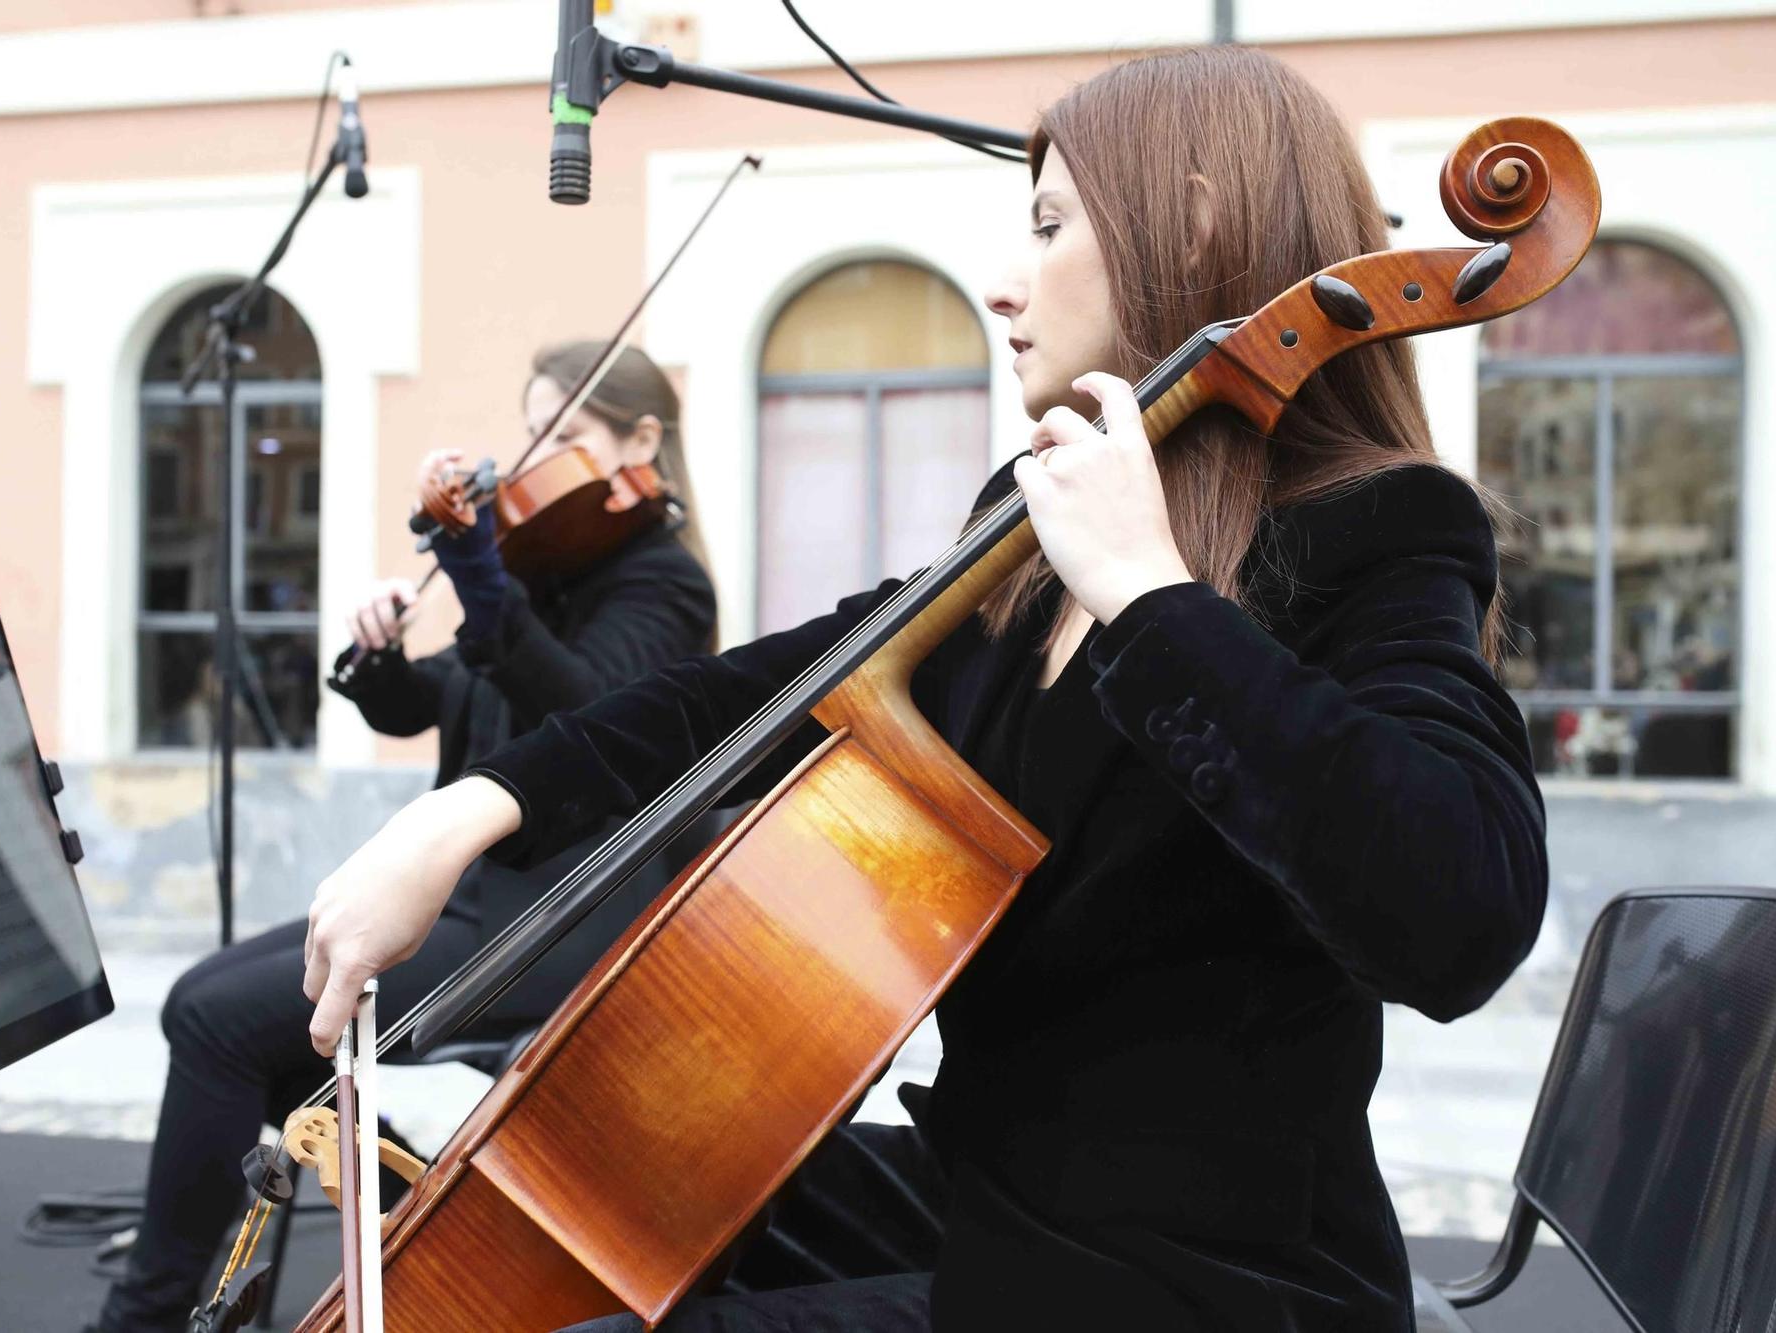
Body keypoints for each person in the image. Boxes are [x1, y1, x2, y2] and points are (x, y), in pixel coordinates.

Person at [300, 46, 1548, 1331]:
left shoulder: (1380, 530)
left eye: (1049, 225)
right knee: (589, 1179)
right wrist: (470, 810)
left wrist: (1148, 593)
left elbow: (1458, 913)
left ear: (1196, 223)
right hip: (994, 1196)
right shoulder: (1027, 521)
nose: (1001, 284)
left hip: (1201, 1279)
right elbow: (771, 683)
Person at [90, 343, 718, 1333]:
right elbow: (447, 704)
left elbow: (588, 715)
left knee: (220, 1023)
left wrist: (479, 577)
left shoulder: (662, 586)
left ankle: (142, 1317)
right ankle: (427, 1219)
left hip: (552, 917)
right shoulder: (539, 573)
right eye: (533, 431)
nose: (532, 458)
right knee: (220, 1008)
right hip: (469, 897)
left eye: (566, 433)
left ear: (641, 440)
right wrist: (382, 663)